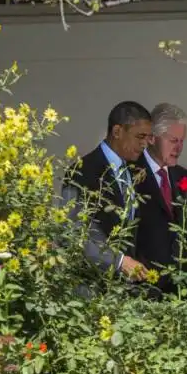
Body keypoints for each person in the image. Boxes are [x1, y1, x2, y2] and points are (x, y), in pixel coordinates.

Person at [61, 101, 152, 284]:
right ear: (117, 132)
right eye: (140, 136)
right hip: (92, 286)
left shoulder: (136, 169)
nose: (144, 144)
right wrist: (118, 262)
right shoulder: (82, 171)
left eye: (148, 137)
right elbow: (72, 232)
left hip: (125, 289)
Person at [134, 103, 187, 297]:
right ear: (152, 137)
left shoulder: (181, 174)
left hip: (177, 288)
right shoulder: (131, 172)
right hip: (142, 285)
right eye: (173, 140)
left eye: (182, 141)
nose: (179, 147)